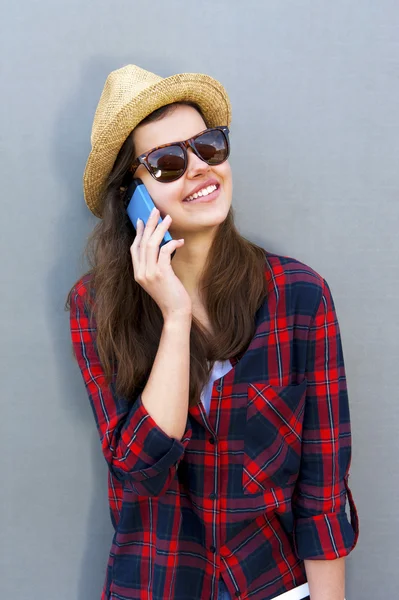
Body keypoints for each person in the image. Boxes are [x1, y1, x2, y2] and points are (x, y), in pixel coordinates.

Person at [66, 64, 359, 600]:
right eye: (169, 162)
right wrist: (175, 317)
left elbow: (322, 489)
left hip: (274, 584)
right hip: (156, 585)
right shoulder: (95, 307)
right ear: (133, 195)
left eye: (209, 146)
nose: (200, 169)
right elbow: (140, 471)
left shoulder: (299, 295)